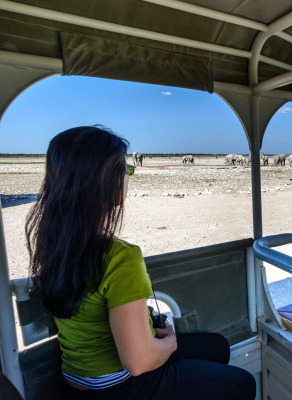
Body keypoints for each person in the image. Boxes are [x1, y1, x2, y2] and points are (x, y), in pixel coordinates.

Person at [26, 126, 256, 400]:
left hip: (78, 377)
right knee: (243, 384)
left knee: (217, 347)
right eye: (125, 168)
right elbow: (138, 362)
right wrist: (169, 343)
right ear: (105, 180)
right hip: (119, 385)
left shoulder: (55, 243)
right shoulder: (120, 257)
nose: (128, 176)